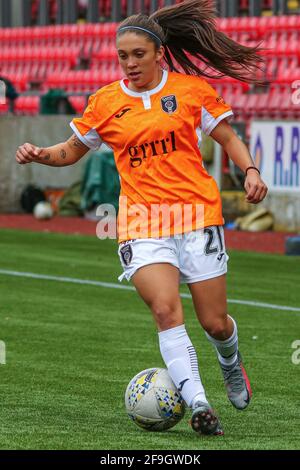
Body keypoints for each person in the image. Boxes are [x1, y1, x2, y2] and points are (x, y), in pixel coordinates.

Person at [15, 0, 268, 436]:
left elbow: (228, 137)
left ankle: (230, 361)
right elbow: (70, 151)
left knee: (214, 323)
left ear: (158, 53)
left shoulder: (190, 92)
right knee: (167, 311)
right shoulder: (106, 102)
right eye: (122, 57)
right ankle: (200, 405)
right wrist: (41, 154)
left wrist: (250, 170)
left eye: (138, 55)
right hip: (141, 224)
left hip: (195, 216)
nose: (129, 64)